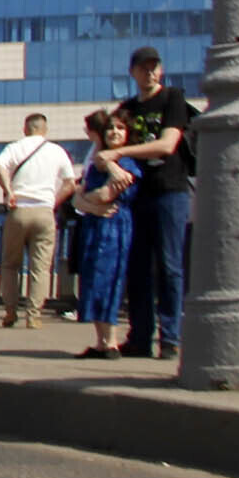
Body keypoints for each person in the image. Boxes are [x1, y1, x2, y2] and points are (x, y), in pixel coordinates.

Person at [105, 45, 196, 359]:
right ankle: (140, 336)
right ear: (133, 72)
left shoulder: (173, 99)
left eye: (154, 67)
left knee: (170, 265)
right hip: (137, 196)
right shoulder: (127, 109)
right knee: (138, 267)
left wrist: (120, 154)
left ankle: (170, 338)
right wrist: (113, 161)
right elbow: (106, 143)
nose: (150, 72)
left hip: (170, 190)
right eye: (143, 68)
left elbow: (167, 144)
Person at [0, 113, 76, 328]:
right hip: (44, 212)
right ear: (44, 130)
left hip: (18, 210)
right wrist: (53, 202)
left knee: (10, 265)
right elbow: (69, 183)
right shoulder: (57, 151)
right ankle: (34, 315)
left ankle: (10, 311)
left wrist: (8, 190)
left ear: (25, 128)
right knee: (40, 267)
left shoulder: (15, 147)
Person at [67, 109, 134, 358]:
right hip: (94, 226)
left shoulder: (126, 163)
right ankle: (101, 341)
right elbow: (76, 199)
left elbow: (106, 195)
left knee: (109, 278)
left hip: (115, 227)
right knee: (92, 278)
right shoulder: (98, 162)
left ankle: (112, 341)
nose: (114, 132)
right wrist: (89, 203)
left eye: (120, 128)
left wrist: (87, 200)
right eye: (110, 129)